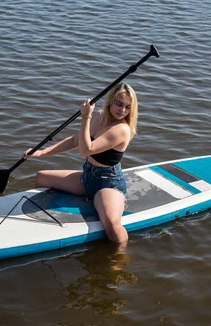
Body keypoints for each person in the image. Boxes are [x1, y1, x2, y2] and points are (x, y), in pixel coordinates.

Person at [23, 83, 138, 244]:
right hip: (87, 176)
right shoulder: (98, 116)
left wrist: (85, 117)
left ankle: (121, 258)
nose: (122, 111)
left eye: (127, 107)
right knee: (41, 177)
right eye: (119, 104)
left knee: (112, 225)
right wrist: (42, 152)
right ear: (110, 101)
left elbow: (86, 150)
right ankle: (43, 221)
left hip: (108, 184)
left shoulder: (121, 129)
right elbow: (75, 140)